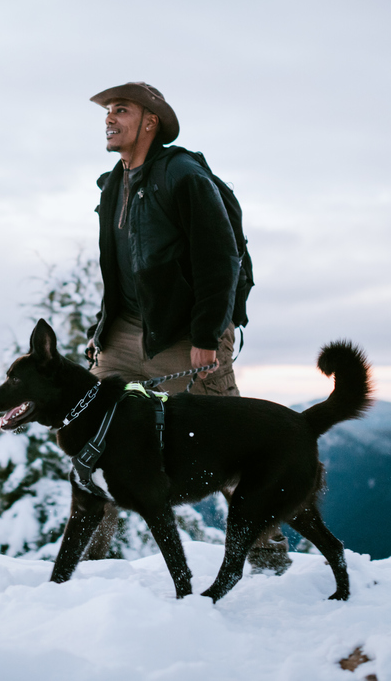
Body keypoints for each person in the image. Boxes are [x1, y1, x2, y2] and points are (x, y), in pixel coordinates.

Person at [82, 81, 290, 572]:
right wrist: (102, 329)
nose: (109, 119)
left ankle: (266, 554)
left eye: (121, 110)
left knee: (226, 442)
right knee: (96, 432)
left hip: (186, 333)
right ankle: (89, 560)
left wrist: (206, 336)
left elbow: (221, 258)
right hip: (127, 331)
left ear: (150, 122)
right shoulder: (114, 183)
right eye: (108, 111)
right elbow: (121, 271)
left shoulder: (184, 175)